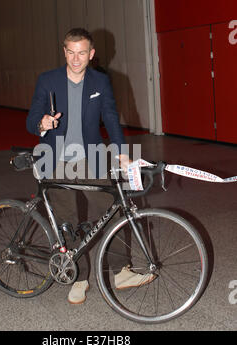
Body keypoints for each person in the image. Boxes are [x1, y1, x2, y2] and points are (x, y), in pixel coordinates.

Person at [26, 28, 155, 304]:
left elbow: (110, 117)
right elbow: (31, 119)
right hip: (56, 159)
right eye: (70, 52)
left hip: (92, 156)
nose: (75, 58)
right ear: (64, 52)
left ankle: (121, 271)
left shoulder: (100, 81)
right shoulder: (48, 80)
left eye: (82, 52)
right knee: (68, 223)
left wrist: (121, 152)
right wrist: (42, 123)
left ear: (91, 54)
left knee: (113, 209)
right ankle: (79, 277)